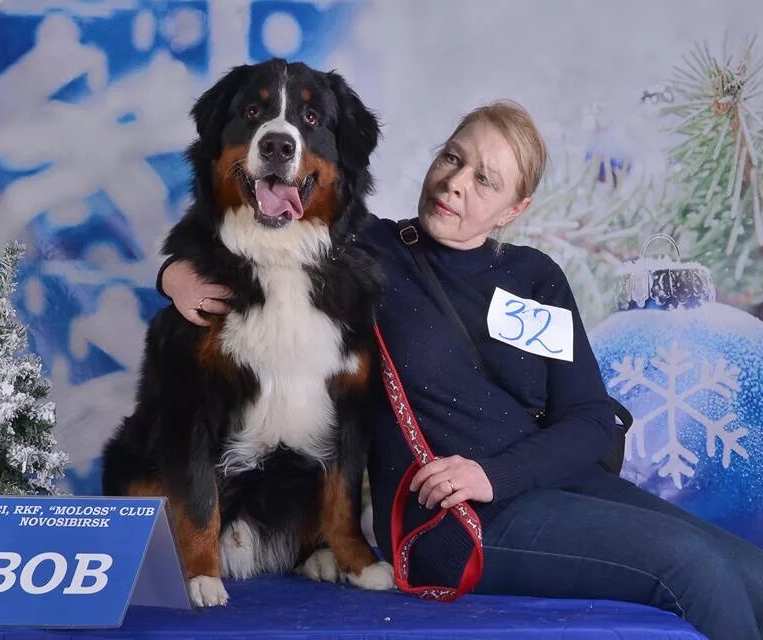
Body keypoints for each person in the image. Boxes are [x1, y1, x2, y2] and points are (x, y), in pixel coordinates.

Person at [157, 100, 763, 639]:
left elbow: (592, 419)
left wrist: (497, 472)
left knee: (750, 568)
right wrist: (173, 274)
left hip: (555, 488)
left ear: (513, 208)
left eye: (485, 180)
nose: (454, 184)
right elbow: (252, 229)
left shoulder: (536, 276)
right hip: (454, 520)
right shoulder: (365, 248)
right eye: (452, 158)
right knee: (693, 566)